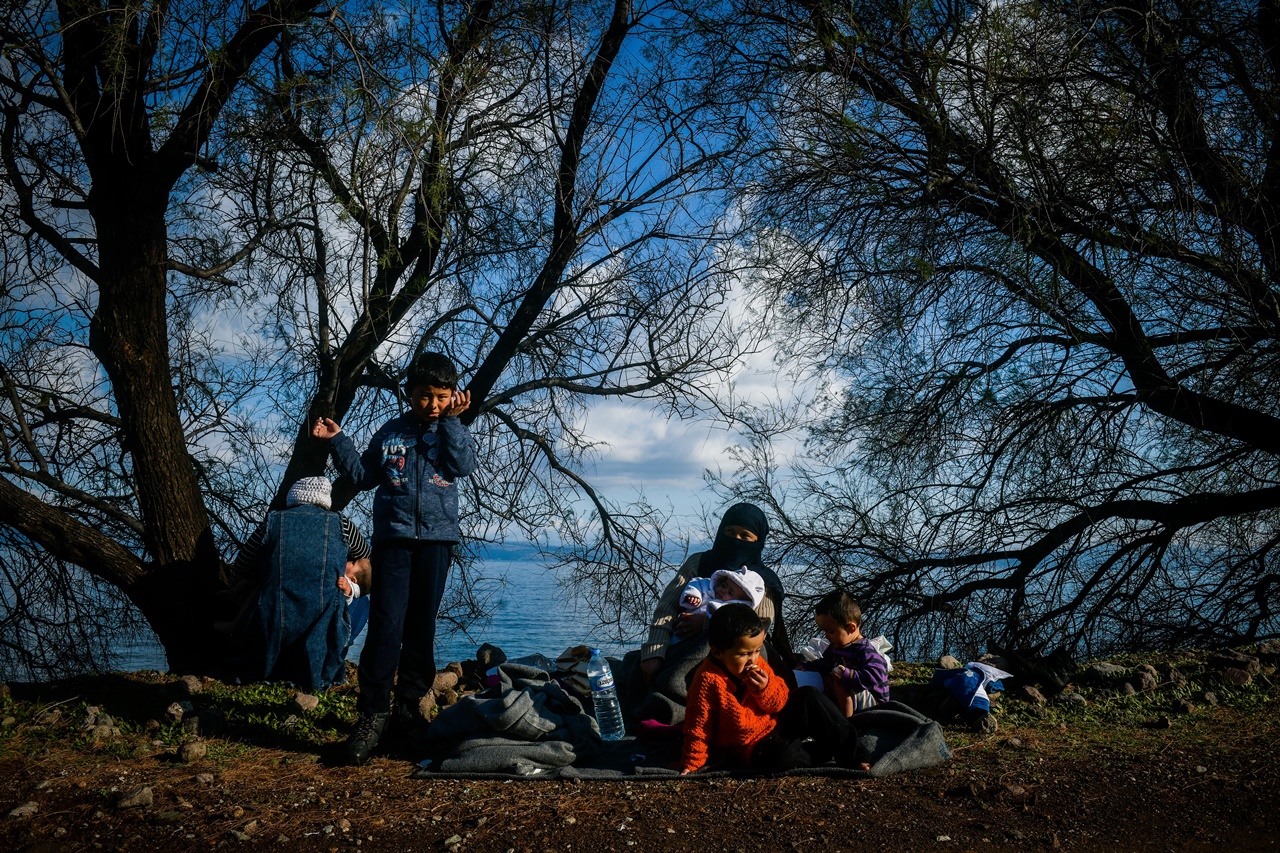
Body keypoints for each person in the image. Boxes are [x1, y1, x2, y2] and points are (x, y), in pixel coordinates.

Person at [312, 352, 476, 765]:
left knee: (421, 628)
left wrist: (453, 421)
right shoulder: (390, 433)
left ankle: (407, 711)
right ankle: (372, 716)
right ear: (410, 394)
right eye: (425, 396)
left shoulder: (450, 429)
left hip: (437, 543)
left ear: (453, 396)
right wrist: (337, 440)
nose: (433, 404)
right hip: (394, 542)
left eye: (441, 396)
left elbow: (462, 465)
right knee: (386, 628)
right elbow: (363, 477)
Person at [224, 476, 372, 690]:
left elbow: (242, 565)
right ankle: (332, 655)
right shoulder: (343, 525)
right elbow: (366, 561)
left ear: (293, 498)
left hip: (274, 624)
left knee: (265, 582)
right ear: (325, 500)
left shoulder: (273, 522)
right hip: (321, 626)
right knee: (362, 599)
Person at [681, 604, 865, 774]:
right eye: (744, 654)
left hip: (775, 723)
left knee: (808, 695)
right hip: (752, 747)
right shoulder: (707, 680)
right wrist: (692, 763)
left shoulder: (758, 664)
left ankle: (853, 754)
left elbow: (781, 701)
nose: (752, 659)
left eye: (756, 650)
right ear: (718, 652)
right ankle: (822, 752)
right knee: (781, 757)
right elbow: (698, 727)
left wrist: (764, 688)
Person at [799, 590, 890, 717]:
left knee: (840, 682)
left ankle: (847, 721)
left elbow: (876, 676)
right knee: (827, 677)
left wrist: (848, 675)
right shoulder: (837, 647)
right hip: (853, 697)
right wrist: (808, 667)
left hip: (873, 702)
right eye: (824, 631)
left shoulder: (866, 651)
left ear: (851, 628)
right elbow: (826, 663)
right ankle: (833, 711)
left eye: (830, 631)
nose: (826, 636)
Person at [678, 567, 766, 623]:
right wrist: (694, 595)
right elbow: (696, 583)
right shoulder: (708, 587)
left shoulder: (729, 608)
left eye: (730, 593)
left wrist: (713, 614)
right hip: (682, 623)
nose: (723, 591)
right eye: (724, 586)